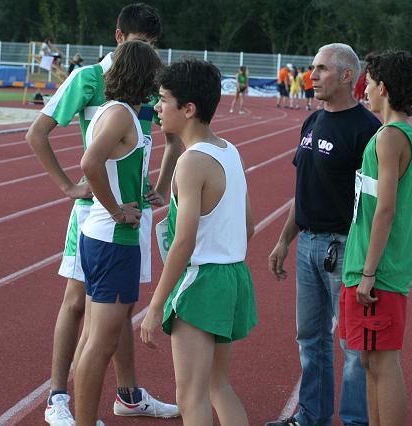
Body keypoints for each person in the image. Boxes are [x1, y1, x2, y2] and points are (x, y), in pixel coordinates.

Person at [26, 3, 182, 425]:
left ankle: (129, 395)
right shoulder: (88, 79)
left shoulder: (147, 86)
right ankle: (59, 398)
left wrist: (160, 185)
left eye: (152, 45)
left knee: (119, 306)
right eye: (141, 44)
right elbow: (38, 133)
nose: (149, 52)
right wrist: (68, 188)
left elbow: (170, 139)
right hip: (97, 214)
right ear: (119, 37)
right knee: (78, 304)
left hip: (128, 213)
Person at [267, 43, 380, 426]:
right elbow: (304, 188)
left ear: (348, 76)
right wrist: (285, 238)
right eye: (312, 68)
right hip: (308, 245)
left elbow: (375, 205)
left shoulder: (368, 131)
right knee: (310, 340)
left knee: (352, 345)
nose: (312, 75)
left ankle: (354, 421)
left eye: (321, 69)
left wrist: (368, 263)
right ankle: (311, 416)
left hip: (345, 248)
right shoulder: (312, 122)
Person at [141, 58, 257, 426]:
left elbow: (184, 241)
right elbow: (249, 225)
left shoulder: (191, 163)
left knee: (190, 397)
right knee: (218, 386)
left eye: (163, 100)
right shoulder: (230, 150)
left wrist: (156, 304)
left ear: (188, 109)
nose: (157, 108)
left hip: (202, 281)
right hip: (232, 277)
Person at [75, 39, 163, 426]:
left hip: (103, 238)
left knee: (95, 338)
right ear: (143, 76)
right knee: (101, 344)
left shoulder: (116, 111)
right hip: (113, 240)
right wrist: (117, 210)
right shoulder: (122, 116)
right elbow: (89, 163)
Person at [340, 50, 412, 426]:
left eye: (369, 84)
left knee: (382, 360)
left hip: (379, 270)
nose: (365, 91)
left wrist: (369, 271)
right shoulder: (396, 134)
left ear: (384, 88)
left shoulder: (390, 137)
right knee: (370, 359)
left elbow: (385, 210)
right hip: (372, 265)